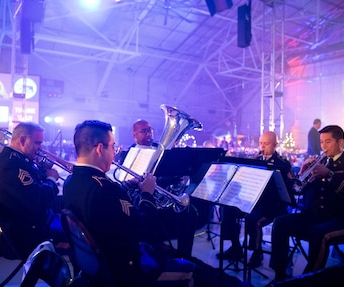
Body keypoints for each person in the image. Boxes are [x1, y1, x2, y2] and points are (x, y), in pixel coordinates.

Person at [63, 120, 193, 287]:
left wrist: (124, 186)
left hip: (94, 266)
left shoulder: (71, 181)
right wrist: (147, 194)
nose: (114, 153)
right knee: (188, 269)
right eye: (112, 147)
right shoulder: (106, 190)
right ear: (100, 148)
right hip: (122, 270)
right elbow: (145, 230)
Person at [269, 125, 344, 282]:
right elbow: (298, 190)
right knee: (280, 222)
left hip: (342, 219)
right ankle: (279, 275)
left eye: (328, 142)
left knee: (318, 233)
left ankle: (309, 280)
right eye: (321, 142)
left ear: (340, 142)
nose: (323, 146)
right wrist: (302, 173)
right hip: (317, 215)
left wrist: (328, 174)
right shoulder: (321, 163)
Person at [118, 118, 198, 259]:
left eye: (150, 130)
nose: (149, 133)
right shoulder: (126, 154)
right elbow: (123, 181)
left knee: (189, 211)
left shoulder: (161, 150)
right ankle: (152, 253)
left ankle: (184, 256)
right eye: (144, 131)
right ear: (134, 135)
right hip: (138, 198)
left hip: (161, 196)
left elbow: (171, 173)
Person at [0, 122, 65, 259]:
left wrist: (43, 170)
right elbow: (39, 200)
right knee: (80, 235)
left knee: (73, 224)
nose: (40, 148)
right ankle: (74, 278)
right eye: (37, 143)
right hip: (28, 232)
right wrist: (51, 179)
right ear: (22, 140)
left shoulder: (17, 160)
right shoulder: (12, 165)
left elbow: (33, 184)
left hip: (33, 223)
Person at [217, 131, 294, 269]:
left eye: (266, 144)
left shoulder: (282, 164)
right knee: (227, 209)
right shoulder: (256, 159)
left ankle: (257, 252)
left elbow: (286, 190)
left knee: (252, 219)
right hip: (253, 201)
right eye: (261, 143)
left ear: (275, 144)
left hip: (272, 206)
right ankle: (236, 247)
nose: (262, 147)